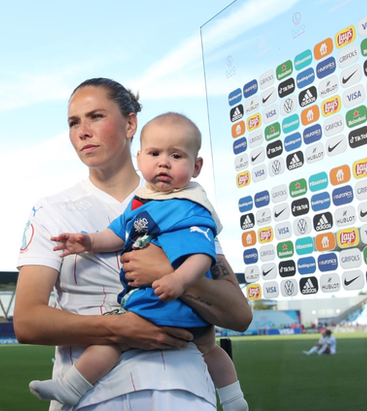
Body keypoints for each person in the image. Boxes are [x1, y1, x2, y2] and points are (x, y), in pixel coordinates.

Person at [14, 78, 253, 411]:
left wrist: (172, 275)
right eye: (73, 122)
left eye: (95, 116)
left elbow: (239, 315)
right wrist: (118, 329)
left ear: (130, 123)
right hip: (91, 399)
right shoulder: (52, 211)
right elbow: (27, 322)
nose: (82, 131)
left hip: (186, 396)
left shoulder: (184, 202)